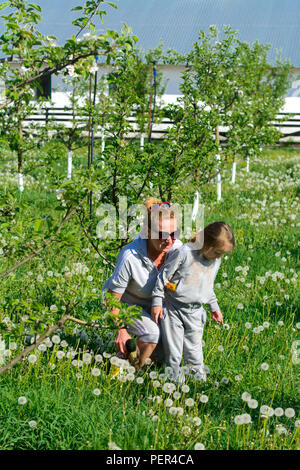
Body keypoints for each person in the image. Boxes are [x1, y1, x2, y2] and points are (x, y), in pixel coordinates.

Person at [102, 197, 182, 368]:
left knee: (168, 346)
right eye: (162, 234)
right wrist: (121, 331)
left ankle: (150, 363)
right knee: (152, 333)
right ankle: (129, 369)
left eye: (175, 233)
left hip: (156, 304)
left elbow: (181, 285)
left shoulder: (177, 251)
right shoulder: (130, 257)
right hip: (125, 304)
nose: (169, 240)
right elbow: (111, 298)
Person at [151, 221, 235, 382]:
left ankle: (198, 384)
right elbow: (163, 277)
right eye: (217, 252)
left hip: (196, 311)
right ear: (206, 244)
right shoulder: (184, 253)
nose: (219, 257)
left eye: (222, 254)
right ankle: (173, 384)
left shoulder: (215, 260)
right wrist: (156, 301)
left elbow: (207, 285)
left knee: (194, 350)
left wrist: (214, 306)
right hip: (173, 308)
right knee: (174, 352)